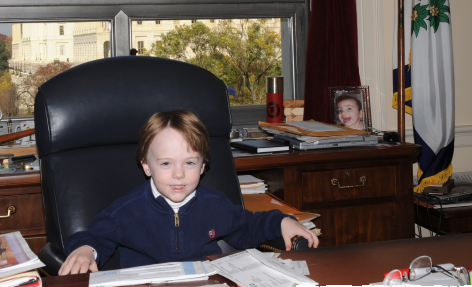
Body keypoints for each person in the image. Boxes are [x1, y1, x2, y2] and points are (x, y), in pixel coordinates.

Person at [59, 109, 319, 274]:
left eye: (190, 162)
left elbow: (249, 226)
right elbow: (94, 236)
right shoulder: (126, 211)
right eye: (165, 163)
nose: (179, 174)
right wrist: (84, 250)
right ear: (146, 166)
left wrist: (282, 221)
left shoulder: (214, 204)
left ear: (203, 166)